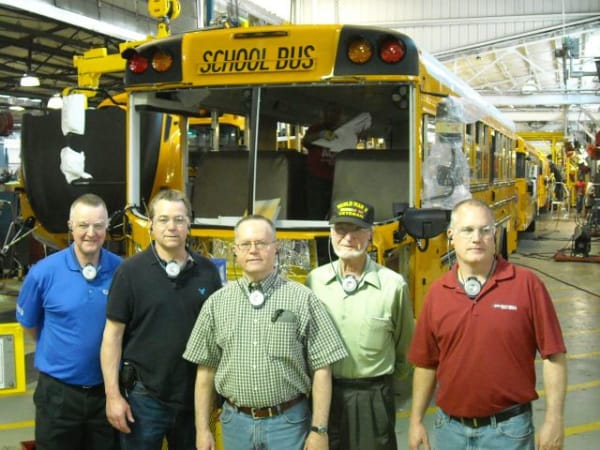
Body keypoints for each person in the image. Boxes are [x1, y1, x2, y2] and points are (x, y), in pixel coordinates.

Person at [407, 198, 567, 450]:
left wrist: (554, 419)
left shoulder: (527, 285)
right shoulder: (437, 293)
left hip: (508, 432)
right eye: (467, 230)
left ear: (495, 235)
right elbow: (426, 363)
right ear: (451, 236)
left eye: (485, 230)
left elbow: (554, 355)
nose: (476, 238)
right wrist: (416, 420)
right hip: (449, 431)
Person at [183, 214, 348, 450]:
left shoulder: (303, 299)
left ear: (276, 247)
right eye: (245, 244)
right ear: (235, 250)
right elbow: (205, 371)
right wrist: (202, 429)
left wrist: (319, 430)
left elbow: (322, 367)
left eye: (261, 243)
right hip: (235, 425)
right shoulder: (216, 304)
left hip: (288, 424)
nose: (253, 250)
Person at [100, 189, 222, 450]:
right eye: (164, 219)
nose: (172, 227)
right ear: (151, 225)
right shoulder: (129, 272)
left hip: (194, 398)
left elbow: (218, 336)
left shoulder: (208, 272)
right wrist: (113, 396)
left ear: (189, 224)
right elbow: (112, 336)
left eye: (179, 219)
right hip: (143, 398)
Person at [306, 199, 415, 450]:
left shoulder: (393, 285)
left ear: (370, 234)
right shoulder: (314, 282)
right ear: (331, 233)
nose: (348, 238)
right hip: (324, 394)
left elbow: (405, 345)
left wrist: (388, 387)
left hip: (372, 396)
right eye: (341, 229)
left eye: (357, 229)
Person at [16, 193, 122, 450]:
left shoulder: (123, 271)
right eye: (83, 225)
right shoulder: (43, 273)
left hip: (107, 393)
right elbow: (30, 324)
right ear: (70, 226)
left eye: (98, 225)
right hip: (58, 395)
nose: (91, 233)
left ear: (107, 227)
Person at [302, 103, 343, 220]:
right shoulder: (315, 129)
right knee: (316, 212)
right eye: (330, 112)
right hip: (316, 178)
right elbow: (305, 141)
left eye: (335, 112)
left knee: (338, 211)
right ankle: (317, 231)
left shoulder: (343, 131)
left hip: (338, 178)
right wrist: (320, 135)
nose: (332, 115)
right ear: (324, 114)